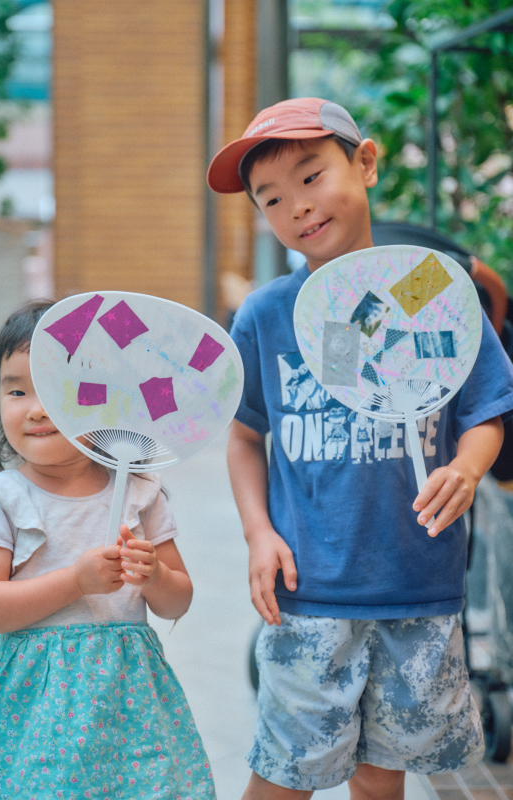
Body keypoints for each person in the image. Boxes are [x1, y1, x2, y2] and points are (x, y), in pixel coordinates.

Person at [207, 97, 513, 800]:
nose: (298, 209)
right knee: (285, 775)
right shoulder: (265, 315)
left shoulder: (436, 290)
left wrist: (468, 467)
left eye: (312, 177)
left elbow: (487, 409)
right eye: (272, 198)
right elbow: (245, 437)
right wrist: (259, 534)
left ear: (366, 162)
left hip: (421, 590)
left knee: (382, 780)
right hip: (309, 593)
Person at [0, 301, 215, 800]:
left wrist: (155, 575)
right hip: (33, 703)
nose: (35, 407)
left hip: (128, 697)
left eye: (57, 388)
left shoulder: (140, 493)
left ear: (108, 399)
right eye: (16, 390)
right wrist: (76, 581)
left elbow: (177, 602)